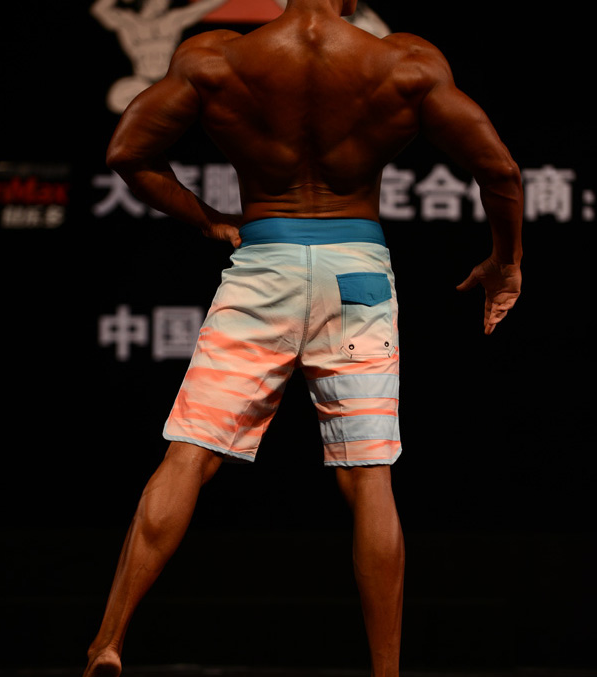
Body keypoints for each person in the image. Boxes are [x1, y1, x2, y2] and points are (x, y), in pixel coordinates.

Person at [83, 1, 523, 675]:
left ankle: (108, 641)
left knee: (189, 454)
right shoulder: (402, 60)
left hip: (264, 264)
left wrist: (205, 218)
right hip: (357, 274)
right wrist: (505, 261)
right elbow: (500, 170)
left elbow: (126, 152)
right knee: (368, 477)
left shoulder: (220, 57)